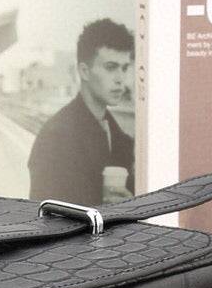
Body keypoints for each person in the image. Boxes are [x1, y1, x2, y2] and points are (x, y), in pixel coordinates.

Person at [28, 18, 135, 204]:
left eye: (124, 68)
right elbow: (45, 214)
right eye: (111, 68)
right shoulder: (55, 138)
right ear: (84, 71)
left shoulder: (119, 138)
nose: (120, 79)